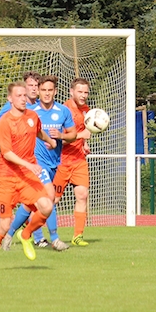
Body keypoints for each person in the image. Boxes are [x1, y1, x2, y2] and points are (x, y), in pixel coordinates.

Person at [0, 81, 57, 271]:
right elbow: (6, 153)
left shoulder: (32, 115)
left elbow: (37, 131)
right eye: (19, 96)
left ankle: (26, 234)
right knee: (4, 225)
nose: (23, 99)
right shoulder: (5, 121)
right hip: (6, 178)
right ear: (10, 99)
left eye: (25, 95)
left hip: (26, 176)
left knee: (47, 205)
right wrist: (29, 165)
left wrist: (50, 141)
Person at [1, 75, 77, 252]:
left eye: (50, 90)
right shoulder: (30, 111)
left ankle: (10, 233)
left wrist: (60, 137)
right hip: (35, 164)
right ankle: (54, 238)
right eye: (43, 90)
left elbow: (73, 133)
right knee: (49, 199)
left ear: (55, 91)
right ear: (38, 91)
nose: (47, 93)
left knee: (30, 204)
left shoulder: (63, 111)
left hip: (54, 164)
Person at [52, 78, 94, 246]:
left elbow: (83, 132)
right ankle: (32, 229)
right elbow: (59, 138)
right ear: (71, 92)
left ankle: (77, 236)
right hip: (62, 161)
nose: (83, 95)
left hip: (79, 160)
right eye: (80, 92)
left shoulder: (87, 110)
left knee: (82, 195)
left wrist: (84, 144)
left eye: (86, 92)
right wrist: (81, 136)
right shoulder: (63, 110)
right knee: (52, 201)